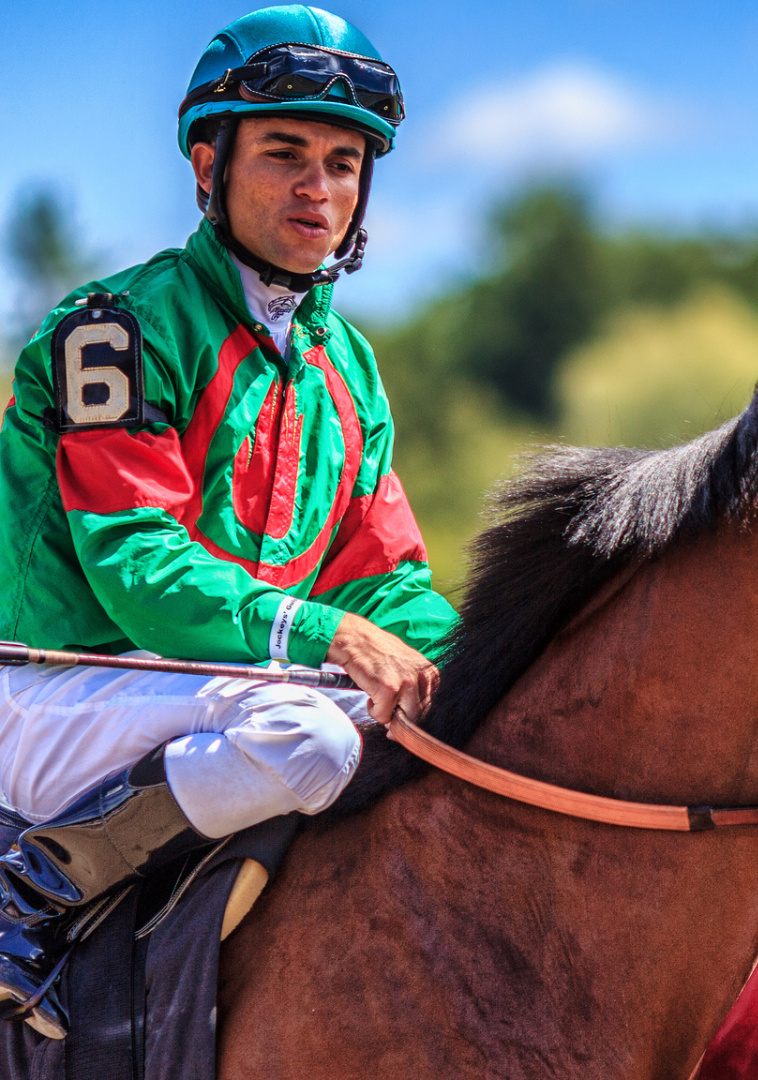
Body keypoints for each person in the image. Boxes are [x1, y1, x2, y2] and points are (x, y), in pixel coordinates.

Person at [0, 5, 453, 1038]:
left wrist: (497, 669)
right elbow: (138, 564)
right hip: (63, 688)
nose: (317, 188)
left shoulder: (350, 366)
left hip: (211, 693)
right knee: (309, 736)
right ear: (209, 165)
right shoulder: (112, 328)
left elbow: (381, 579)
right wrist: (324, 633)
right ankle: (31, 885)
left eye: (343, 163)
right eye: (285, 153)